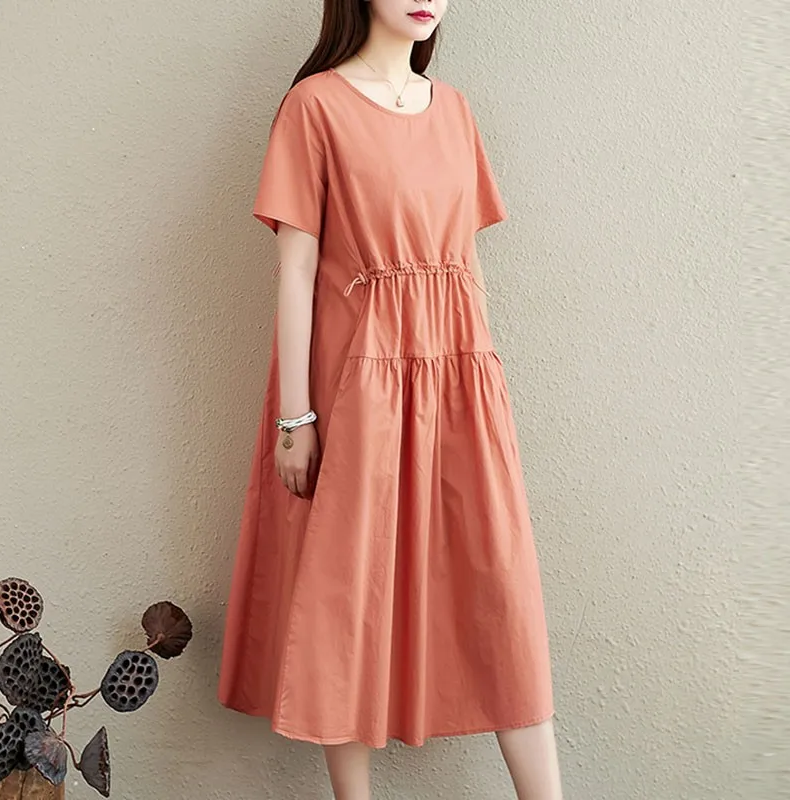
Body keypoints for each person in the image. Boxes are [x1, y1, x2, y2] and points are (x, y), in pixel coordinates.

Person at [218, 1, 564, 797]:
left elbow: (464, 262)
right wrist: (296, 418)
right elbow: (297, 269)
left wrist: (482, 379)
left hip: (458, 378)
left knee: (500, 587)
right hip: (359, 379)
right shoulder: (315, 106)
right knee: (349, 591)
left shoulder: (455, 110)